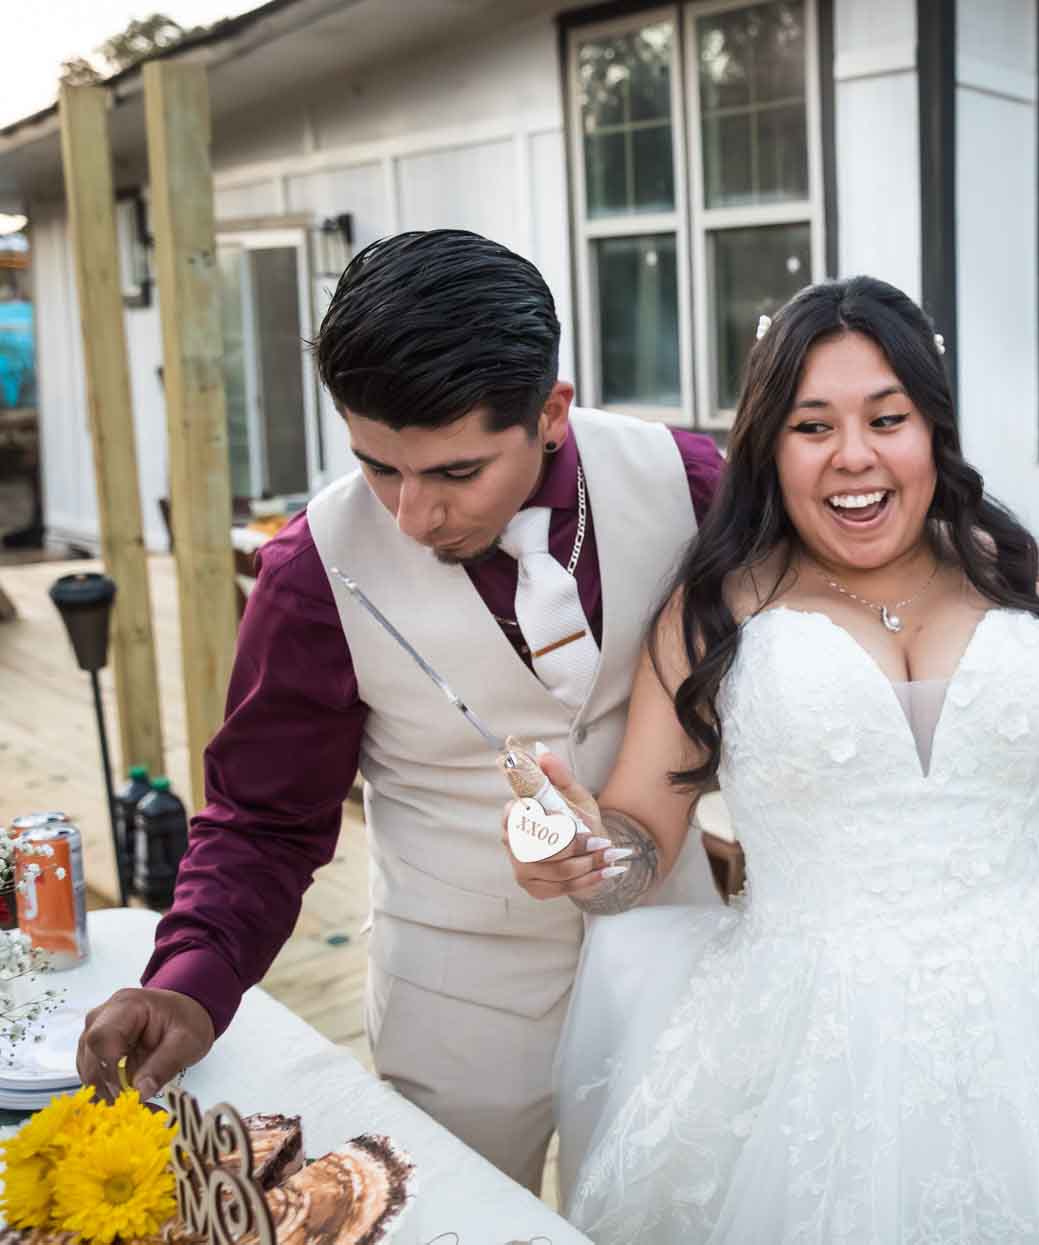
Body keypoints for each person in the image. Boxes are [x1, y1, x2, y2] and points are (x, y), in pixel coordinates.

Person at [502, 275, 1039, 1240]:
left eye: (888, 417)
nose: (855, 456)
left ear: (933, 429)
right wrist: (579, 852)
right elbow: (638, 845)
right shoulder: (717, 607)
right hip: (801, 1044)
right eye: (812, 426)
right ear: (768, 445)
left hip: (1035, 1025)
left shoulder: (1017, 573)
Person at [73, 230, 724, 1189]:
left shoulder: (694, 484)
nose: (412, 515)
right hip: (455, 999)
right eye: (380, 466)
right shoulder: (309, 573)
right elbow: (262, 819)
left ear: (549, 412)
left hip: (677, 963)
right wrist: (193, 979)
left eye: (455, 472)